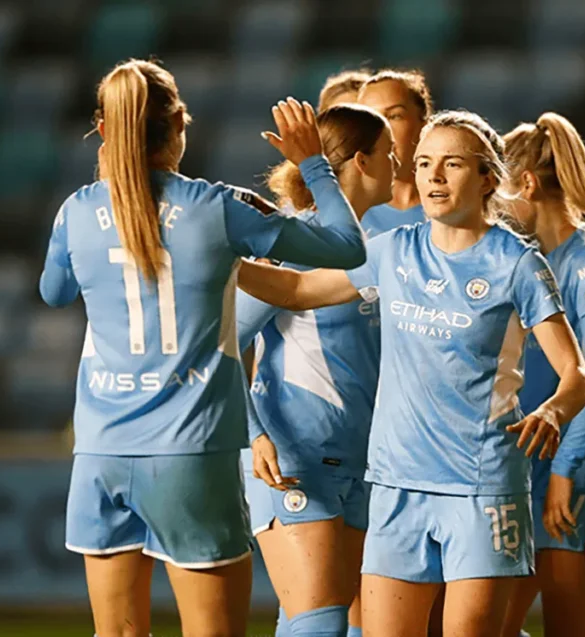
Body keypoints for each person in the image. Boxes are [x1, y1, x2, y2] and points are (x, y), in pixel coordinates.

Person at [38, 59, 366, 637]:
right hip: (191, 452)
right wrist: (312, 162)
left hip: (101, 453)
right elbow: (346, 247)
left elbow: (54, 290)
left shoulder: (77, 211)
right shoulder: (218, 207)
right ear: (180, 125)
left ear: (106, 129)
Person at [238, 110, 585, 637]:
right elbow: (294, 291)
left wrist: (554, 410)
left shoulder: (517, 264)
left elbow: (578, 375)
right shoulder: (394, 250)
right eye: (425, 163)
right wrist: (210, 255)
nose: (433, 176)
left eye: (451, 164)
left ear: (487, 179)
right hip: (395, 485)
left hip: (482, 488)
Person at [235, 104, 397, 637]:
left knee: (326, 623)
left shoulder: (371, 246)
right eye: (389, 154)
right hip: (298, 457)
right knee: (321, 622)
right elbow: (222, 342)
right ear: (361, 162)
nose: (399, 164)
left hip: (357, 461)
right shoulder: (299, 241)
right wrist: (254, 433)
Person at [497, 113, 585, 637]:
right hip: (535, 468)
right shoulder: (530, 261)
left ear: (527, 185)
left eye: (499, 192)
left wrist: (566, 470)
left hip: (581, 475)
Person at [355, 69, 431, 235]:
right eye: (369, 118)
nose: (381, 129)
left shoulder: (459, 209)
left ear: (424, 126)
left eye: (394, 116)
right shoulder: (339, 210)